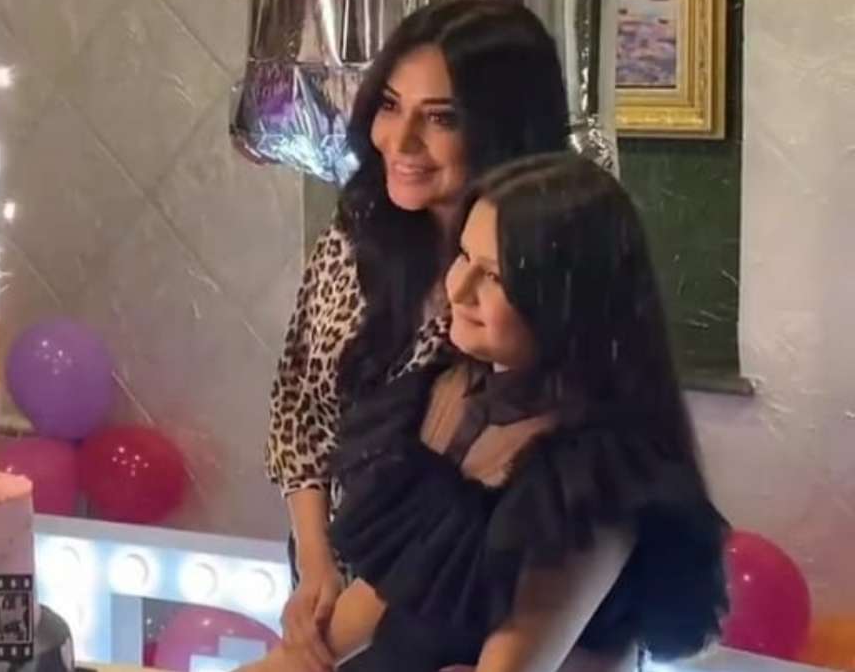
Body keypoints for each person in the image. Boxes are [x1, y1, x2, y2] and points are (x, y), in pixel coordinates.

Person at [250, 154, 729, 672]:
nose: (457, 289)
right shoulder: (450, 390)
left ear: (568, 300)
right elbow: (376, 598)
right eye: (463, 255)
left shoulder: (592, 477)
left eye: (494, 277)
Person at [265, 0, 571, 667]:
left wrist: (328, 637)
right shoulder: (356, 231)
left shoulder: (541, 279)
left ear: (504, 127)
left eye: (439, 117)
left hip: (446, 602)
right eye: (390, 105)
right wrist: (316, 562)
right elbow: (298, 409)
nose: (399, 141)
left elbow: (474, 499)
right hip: (333, 577)